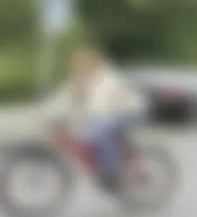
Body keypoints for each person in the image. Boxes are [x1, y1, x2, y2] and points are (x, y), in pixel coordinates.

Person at [41, 46, 148, 190]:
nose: (78, 71)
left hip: (129, 112)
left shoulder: (106, 78)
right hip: (107, 114)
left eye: (82, 67)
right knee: (89, 133)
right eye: (75, 68)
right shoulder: (77, 81)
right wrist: (46, 115)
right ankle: (101, 164)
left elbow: (99, 105)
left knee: (101, 133)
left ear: (92, 66)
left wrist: (76, 120)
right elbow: (60, 99)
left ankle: (111, 174)